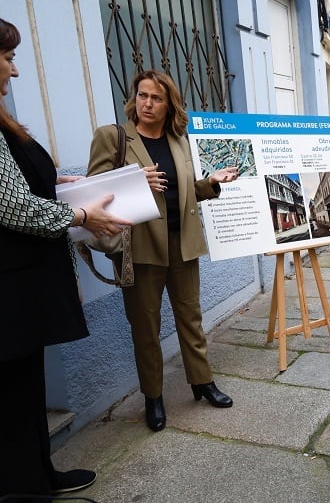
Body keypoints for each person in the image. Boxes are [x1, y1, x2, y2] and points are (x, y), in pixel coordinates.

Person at [0, 17, 131, 498]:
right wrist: (80, 215)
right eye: (8, 58)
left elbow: (17, 189)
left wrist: (59, 187)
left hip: (24, 280)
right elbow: (11, 207)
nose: (14, 72)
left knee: (27, 384)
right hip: (9, 285)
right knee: (12, 391)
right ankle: (22, 488)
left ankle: (39, 474)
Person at [87, 70, 239, 432]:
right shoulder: (114, 137)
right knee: (145, 327)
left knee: (191, 317)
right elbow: (95, 194)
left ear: (169, 102)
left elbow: (181, 191)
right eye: (142, 96)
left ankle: (202, 382)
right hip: (139, 247)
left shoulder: (178, 139)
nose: (147, 104)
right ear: (134, 98)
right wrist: (134, 181)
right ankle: (153, 397)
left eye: (156, 98)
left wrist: (211, 184)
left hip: (181, 242)